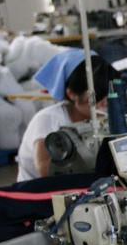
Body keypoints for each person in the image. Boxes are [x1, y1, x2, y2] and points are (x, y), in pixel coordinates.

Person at [17, 48, 119, 181]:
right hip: (40, 195)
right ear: (72, 94)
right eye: (98, 97)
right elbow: (45, 172)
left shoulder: (106, 116)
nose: (105, 103)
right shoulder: (49, 119)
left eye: (108, 95)